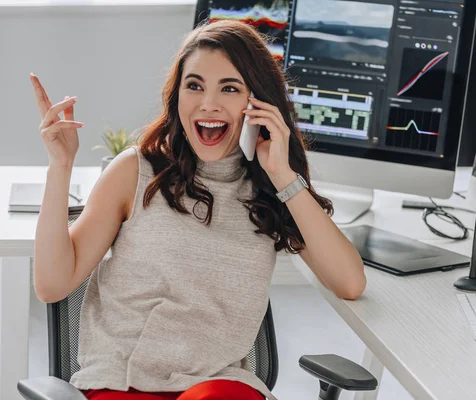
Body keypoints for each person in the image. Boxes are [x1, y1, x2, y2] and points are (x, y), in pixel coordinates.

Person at [30, 19, 366, 400]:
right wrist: (61, 166)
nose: (208, 103)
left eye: (230, 88)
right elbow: (51, 284)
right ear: (177, 98)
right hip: (123, 381)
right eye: (194, 86)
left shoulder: (272, 189)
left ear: (256, 103)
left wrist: (283, 175)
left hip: (219, 387)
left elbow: (349, 283)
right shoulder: (136, 171)